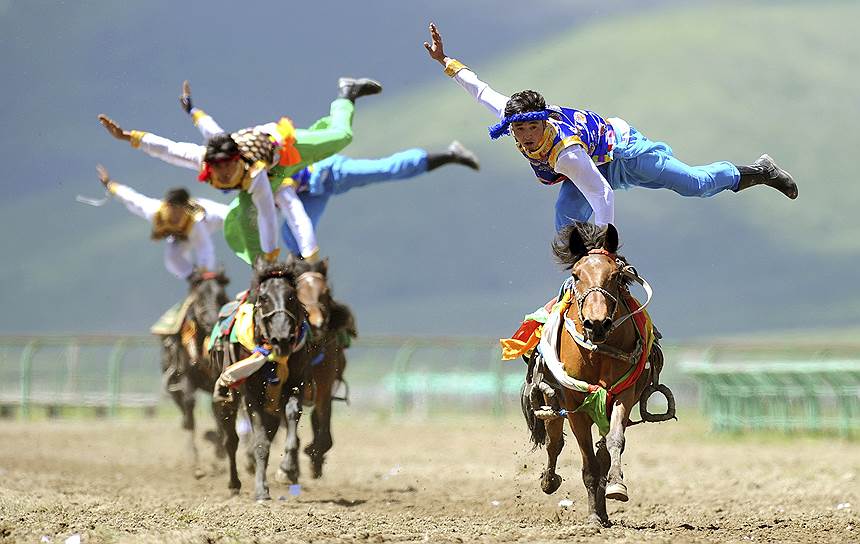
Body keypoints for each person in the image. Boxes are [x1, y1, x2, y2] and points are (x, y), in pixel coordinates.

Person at [422, 23, 797, 230]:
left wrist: (606, 246)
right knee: (564, 226)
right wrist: (445, 60)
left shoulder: (565, 152)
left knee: (693, 185)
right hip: (587, 167)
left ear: (543, 122)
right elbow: (479, 89)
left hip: (621, 152)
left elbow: (602, 194)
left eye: (531, 129)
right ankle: (576, 294)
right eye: (518, 131)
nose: (524, 137)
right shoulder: (513, 115)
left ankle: (760, 171)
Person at [98, 77, 382, 264]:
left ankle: (346, 94)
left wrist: (281, 253)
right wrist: (128, 136)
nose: (221, 174)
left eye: (227, 166)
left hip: (284, 152)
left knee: (342, 137)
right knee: (241, 224)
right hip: (257, 182)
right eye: (217, 167)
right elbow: (170, 148)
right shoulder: (205, 159)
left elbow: (270, 217)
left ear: (236, 160)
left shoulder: (253, 172)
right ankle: (263, 272)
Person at [181, 81, 480, 256]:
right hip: (313, 195)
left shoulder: (254, 171)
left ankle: (450, 154)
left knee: (386, 168)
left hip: (326, 174)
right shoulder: (250, 194)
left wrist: (194, 112)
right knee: (291, 243)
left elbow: (216, 137)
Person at [95, 164, 226, 279]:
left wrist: (205, 270)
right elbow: (132, 198)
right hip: (183, 236)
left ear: (185, 207)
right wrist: (109, 184)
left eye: (180, 209)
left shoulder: (195, 218)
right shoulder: (155, 211)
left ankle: (203, 276)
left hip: (213, 218)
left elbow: (204, 246)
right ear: (167, 205)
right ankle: (192, 276)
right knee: (172, 257)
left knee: (232, 218)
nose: (176, 213)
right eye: (173, 208)